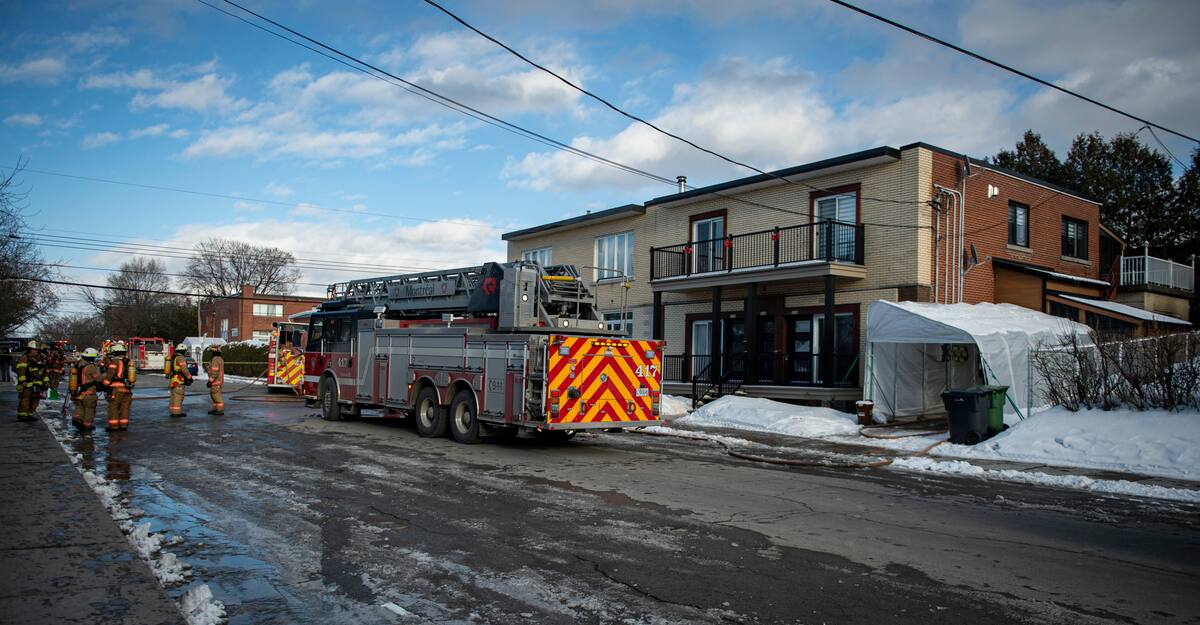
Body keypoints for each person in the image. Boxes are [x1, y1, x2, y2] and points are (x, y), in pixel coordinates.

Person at [102, 342, 136, 431]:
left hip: (116, 390)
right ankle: (123, 426)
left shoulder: (115, 362)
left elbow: (109, 375)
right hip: (127, 389)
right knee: (125, 408)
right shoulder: (128, 362)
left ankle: (113, 427)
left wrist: (104, 385)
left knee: (113, 407)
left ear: (115, 352)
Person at [70, 348, 103, 430]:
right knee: (90, 410)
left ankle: (77, 419)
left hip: (79, 392)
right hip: (89, 394)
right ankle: (87, 426)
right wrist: (105, 375)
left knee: (79, 407)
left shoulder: (78, 364)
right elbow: (98, 379)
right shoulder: (91, 367)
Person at [15, 341, 49, 421]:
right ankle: (22, 415)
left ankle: (29, 414)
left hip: (38, 384)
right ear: (30, 349)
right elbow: (21, 371)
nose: (36, 351)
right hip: (27, 383)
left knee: (35, 400)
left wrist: (46, 381)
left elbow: (44, 371)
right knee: (26, 399)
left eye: (37, 349)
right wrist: (23, 381)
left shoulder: (41, 359)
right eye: (34, 349)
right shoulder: (24, 358)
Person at [168, 348, 193, 417]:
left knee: (173, 396)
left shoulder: (174, 357)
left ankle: (173, 411)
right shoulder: (181, 358)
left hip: (173, 380)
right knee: (178, 396)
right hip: (179, 380)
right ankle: (177, 412)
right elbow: (184, 369)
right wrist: (189, 377)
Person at [206, 345, 225, 415]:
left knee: (217, 396)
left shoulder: (215, 359)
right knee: (214, 396)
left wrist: (210, 381)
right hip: (218, 381)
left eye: (211, 352)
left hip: (216, 382)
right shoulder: (219, 359)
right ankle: (215, 409)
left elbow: (214, 372)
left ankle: (219, 410)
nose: (211, 354)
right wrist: (208, 368)